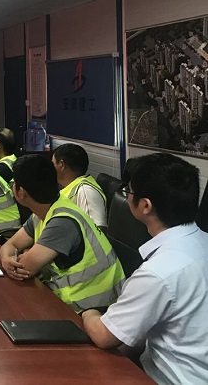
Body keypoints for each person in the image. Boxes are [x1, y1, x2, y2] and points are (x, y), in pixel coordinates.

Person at [81, 153, 208, 385]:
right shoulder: (202, 242)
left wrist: (88, 313)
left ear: (145, 205)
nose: (126, 195)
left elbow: (104, 336)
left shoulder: (158, 272)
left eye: (128, 191)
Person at [0, 155, 125, 314]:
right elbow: (10, 245)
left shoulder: (62, 222)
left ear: (21, 192)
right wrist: (7, 258)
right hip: (68, 301)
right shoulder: (44, 212)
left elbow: (24, 269)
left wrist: (19, 256)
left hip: (91, 311)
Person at [52, 144, 108, 229]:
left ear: (62, 165)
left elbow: (97, 230)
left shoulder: (86, 191)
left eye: (53, 164)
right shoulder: (68, 187)